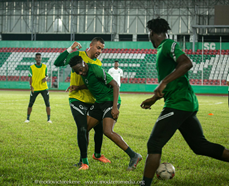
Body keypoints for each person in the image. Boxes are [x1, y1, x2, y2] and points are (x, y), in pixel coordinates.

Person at [140, 17, 229, 186]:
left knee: (154, 143)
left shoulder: (168, 44)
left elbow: (187, 63)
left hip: (179, 104)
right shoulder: (161, 49)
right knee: (199, 146)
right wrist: (153, 99)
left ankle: (145, 183)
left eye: (150, 34)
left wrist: (163, 82)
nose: (150, 38)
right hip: (181, 103)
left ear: (152, 33)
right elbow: (172, 80)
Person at [69, 55, 142, 171]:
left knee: (107, 131)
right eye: (77, 72)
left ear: (84, 63)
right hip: (99, 103)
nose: (80, 73)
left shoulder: (95, 69)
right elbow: (90, 84)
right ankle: (83, 160)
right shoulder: (84, 73)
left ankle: (134, 155)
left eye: (80, 70)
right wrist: (78, 87)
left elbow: (115, 85)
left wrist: (114, 107)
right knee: (84, 129)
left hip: (110, 101)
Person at [54, 38, 111, 170]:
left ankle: (97, 154)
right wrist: (70, 49)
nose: (100, 51)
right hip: (77, 99)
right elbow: (57, 63)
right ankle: (83, 162)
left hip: (93, 101)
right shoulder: (78, 55)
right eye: (98, 47)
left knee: (100, 129)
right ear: (91, 45)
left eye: (102, 49)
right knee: (83, 128)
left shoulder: (98, 64)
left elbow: (93, 84)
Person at [25, 53, 52, 123]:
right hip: (35, 88)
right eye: (37, 57)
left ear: (41, 58)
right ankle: (27, 118)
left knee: (47, 103)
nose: (38, 59)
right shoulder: (32, 67)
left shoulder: (44, 66)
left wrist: (46, 78)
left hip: (44, 88)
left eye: (39, 57)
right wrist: (31, 86)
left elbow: (47, 76)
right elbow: (30, 77)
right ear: (35, 59)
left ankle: (49, 119)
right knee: (30, 103)